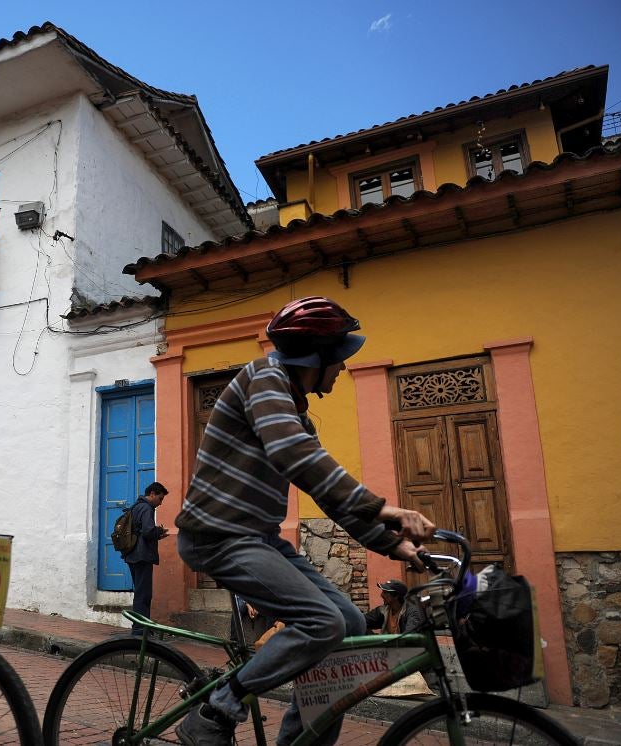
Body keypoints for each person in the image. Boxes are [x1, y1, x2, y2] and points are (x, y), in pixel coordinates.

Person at [174, 296, 435, 746]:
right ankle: (217, 709)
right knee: (321, 622)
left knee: (350, 623)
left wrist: (394, 546)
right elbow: (293, 455)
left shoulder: (295, 414)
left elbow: (326, 493)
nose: (341, 369)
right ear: (314, 358)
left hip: (258, 539)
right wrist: (384, 507)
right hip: (217, 537)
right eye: (338, 360)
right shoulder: (263, 378)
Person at [123, 482, 169, 635]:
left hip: (133, 555)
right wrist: (160, 531)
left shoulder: (136, 506)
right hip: (142, 556)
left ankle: (141, 628)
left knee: (140, 592)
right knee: (144, 594)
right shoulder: (147, 508)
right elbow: (148, 531)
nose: (160, 503)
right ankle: (140, 630)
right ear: (152, 494)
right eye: (160, 499)